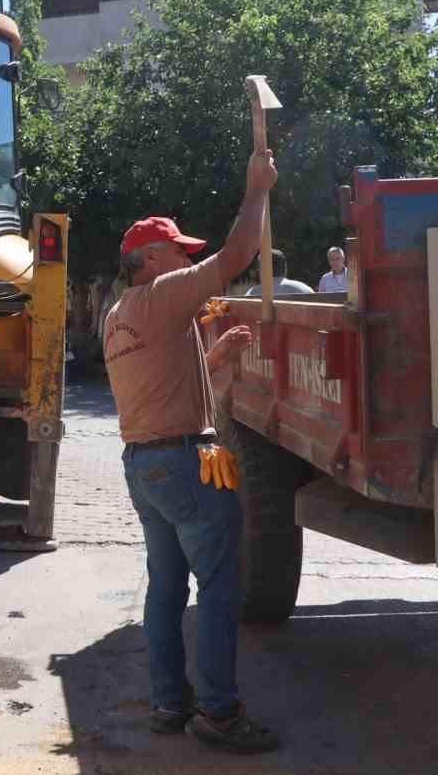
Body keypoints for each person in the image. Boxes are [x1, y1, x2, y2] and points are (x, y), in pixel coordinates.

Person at [102, 149, 282, 754]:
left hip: (145, 464)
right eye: (180, 250)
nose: (189, 258)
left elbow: (163, 387)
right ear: (151, 260)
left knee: (165, 588)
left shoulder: (119, 315)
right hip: (183, 461)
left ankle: (169, 703)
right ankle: (220, 713)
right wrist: (256, 189)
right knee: (222, 585)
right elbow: (236, 256)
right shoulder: (160, 296)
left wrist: (215, 360)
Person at [241, 248, 314, 296]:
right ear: (285, 268)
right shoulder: (304, 289)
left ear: (262, 270)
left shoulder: (252, 293)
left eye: (259, 268)